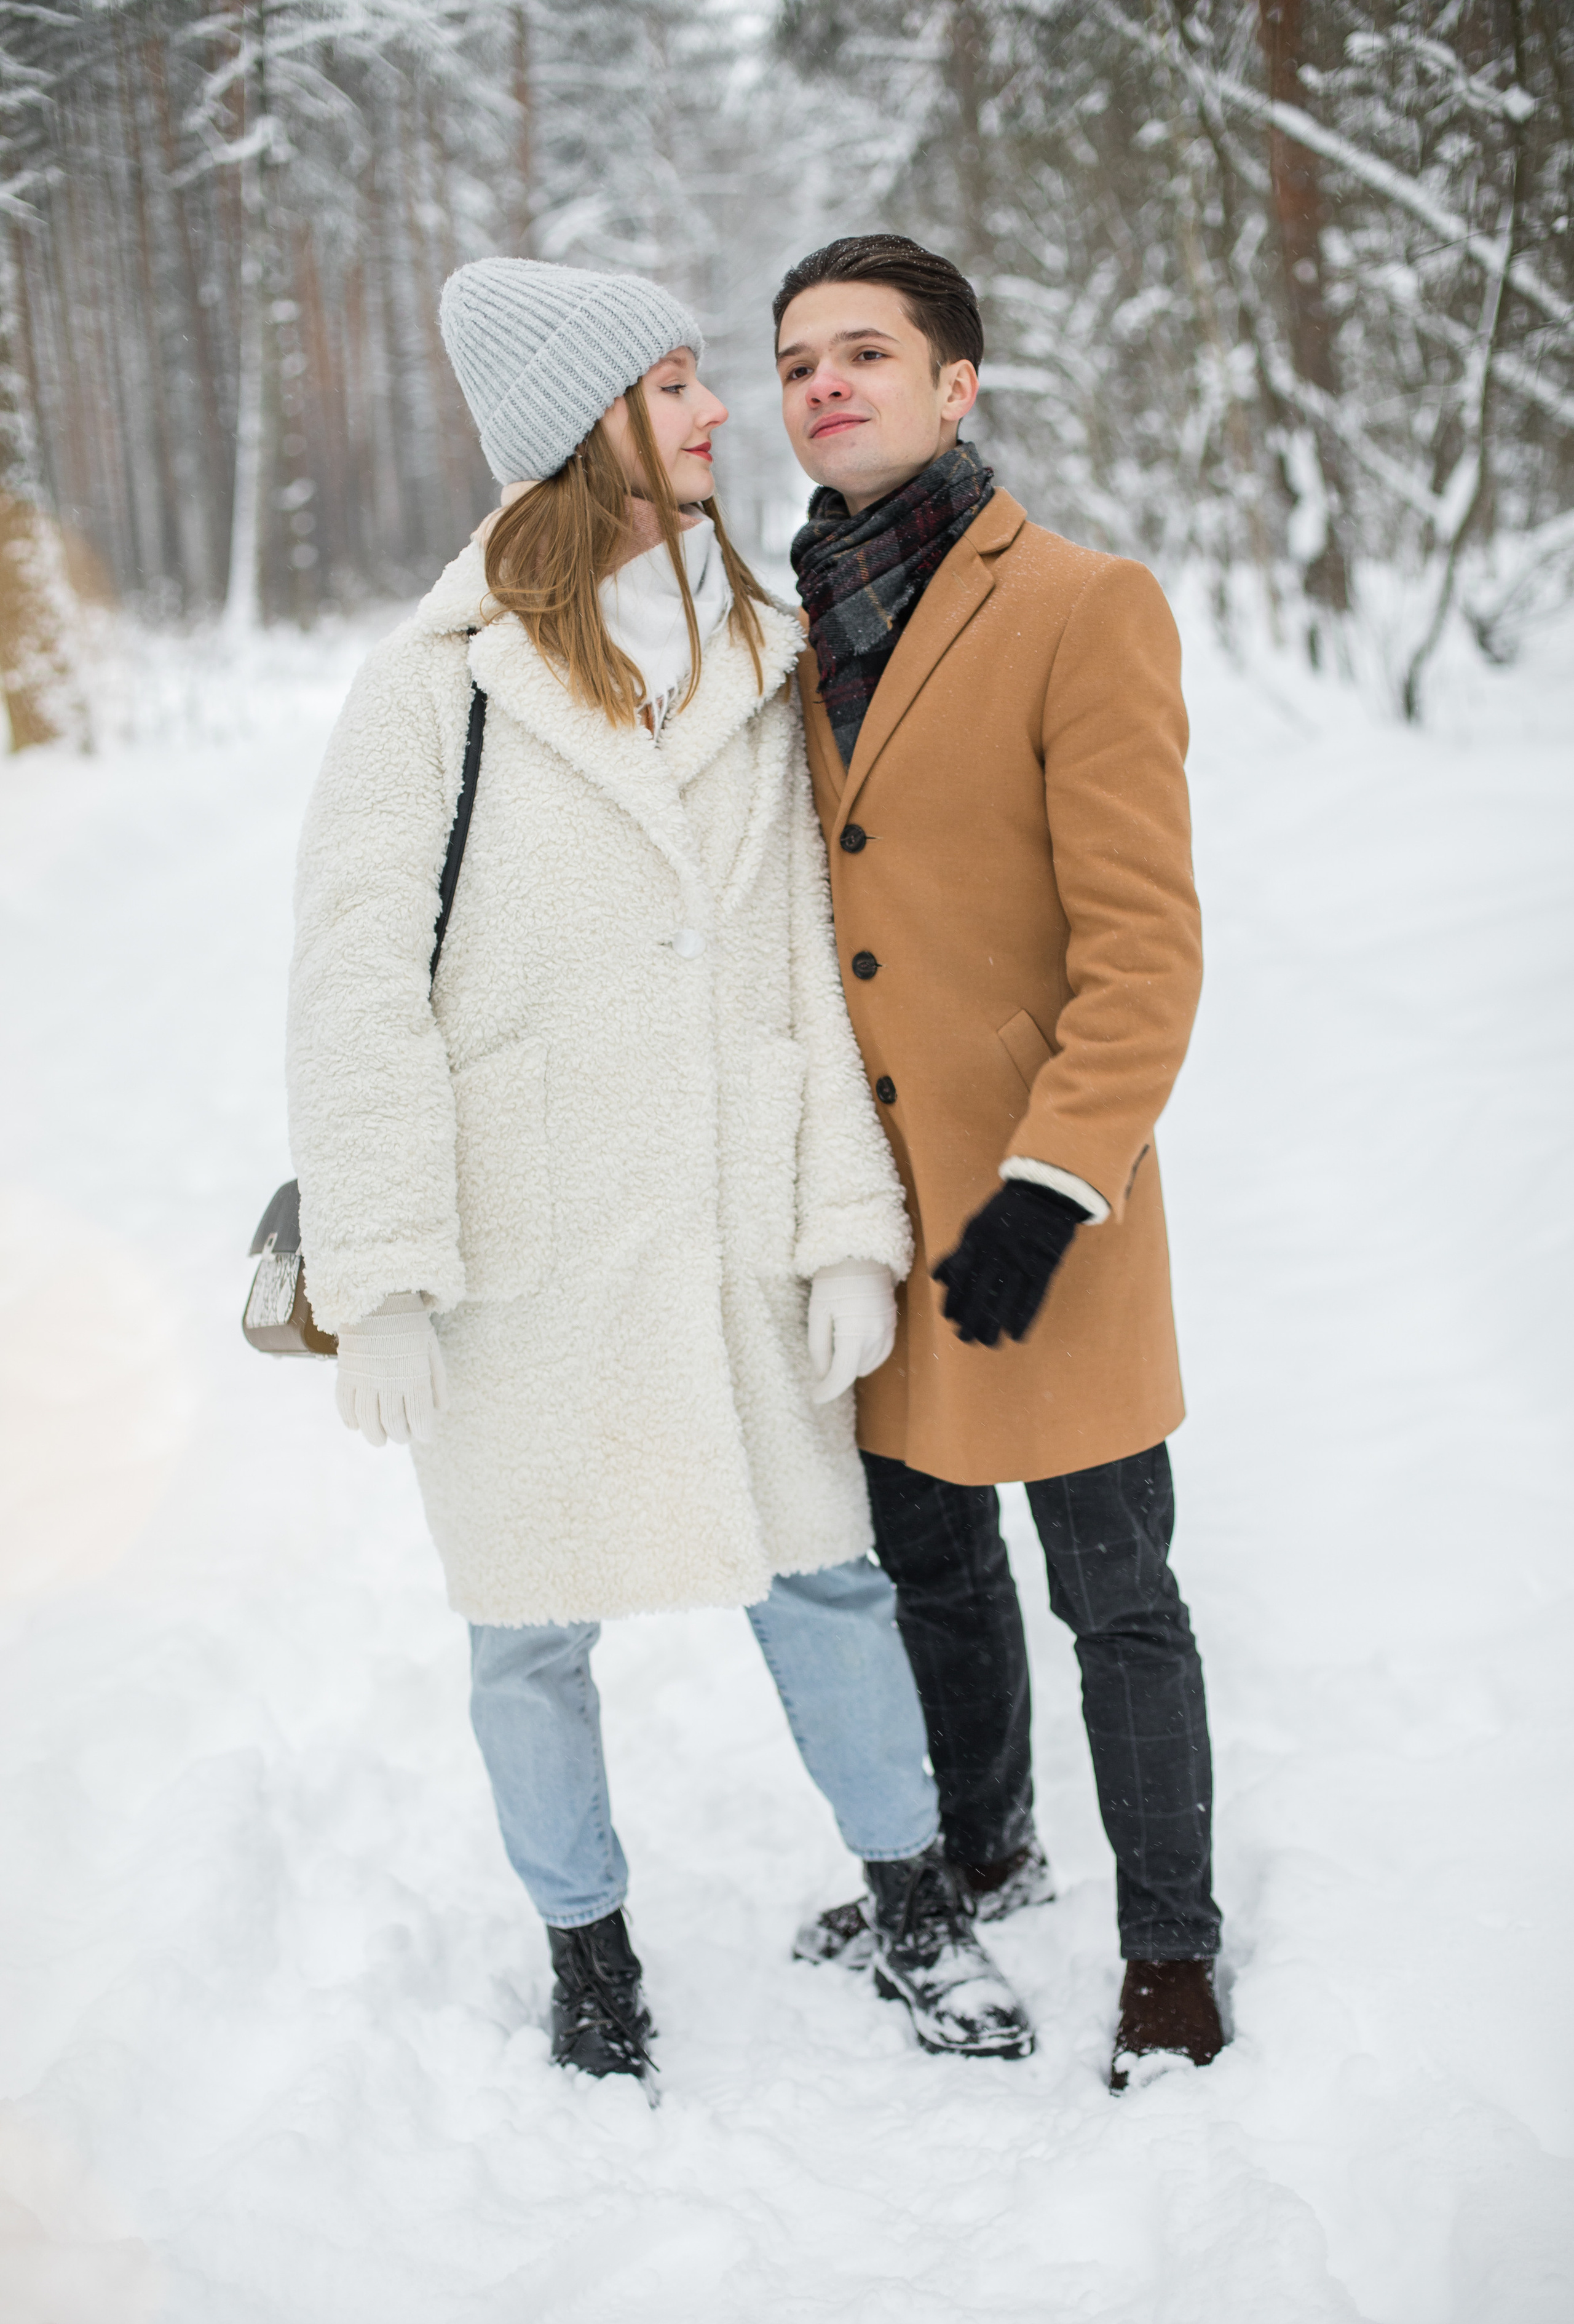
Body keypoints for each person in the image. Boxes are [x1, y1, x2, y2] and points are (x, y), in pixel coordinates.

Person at [285, 255, 1034, 2087]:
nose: (721, 412)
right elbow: (354, 989)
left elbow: (801, 954)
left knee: (829, 1582)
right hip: (520, 1243)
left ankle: (915, 1907)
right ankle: (588, 1953)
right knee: (527, 1633)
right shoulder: (432, 692)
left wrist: (847, 1229)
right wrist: (375, 1276)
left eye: (715, 378)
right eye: (680, 382)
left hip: (729, 1228)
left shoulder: (758, 658)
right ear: (586, 428)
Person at [772, 234, 1225, 2089]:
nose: (822, 384)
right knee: (928, 1568)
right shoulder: (780, 626)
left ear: (959, 386)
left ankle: (1172, 1949)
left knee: (1116, 1593)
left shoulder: (1082, 604)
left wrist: (1055, 1187)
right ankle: (982, 1844)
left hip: (1048, 1209)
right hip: (872, 1218)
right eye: (795, 358)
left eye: (864, 352)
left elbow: (1146, 945)